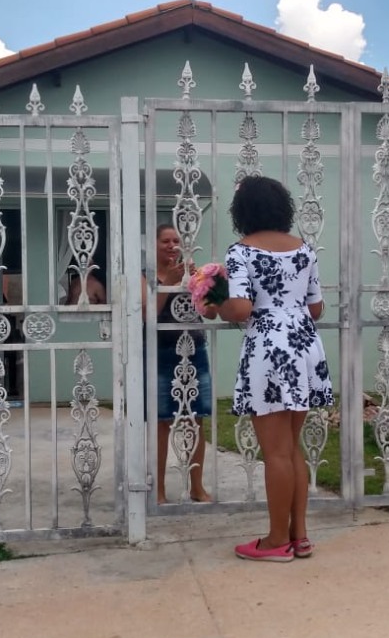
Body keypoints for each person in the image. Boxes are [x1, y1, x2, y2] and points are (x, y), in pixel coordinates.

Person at [203, 176, 333, 562]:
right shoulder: (303, 249)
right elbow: (316, 308)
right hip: (304, 346)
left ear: (243, 212)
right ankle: (300, 536)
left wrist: (215, 297)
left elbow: (239, 309)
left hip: (269, 351)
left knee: (274, 452)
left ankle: (277, 541)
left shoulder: (241, 252)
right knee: (290, 449)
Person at [141, 224, 213, 504]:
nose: (171, 246)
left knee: (196, 420)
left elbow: (208, 311)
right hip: (161, 352)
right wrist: (168, 283)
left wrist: (203, 282)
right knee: (161, 422)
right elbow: (147, 315)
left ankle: (197, 486)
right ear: (154, 244)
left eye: (176, 241)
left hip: (194, 349)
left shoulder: (189, 274)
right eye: (165, 241)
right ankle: (157, 490)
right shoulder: (144, 276)